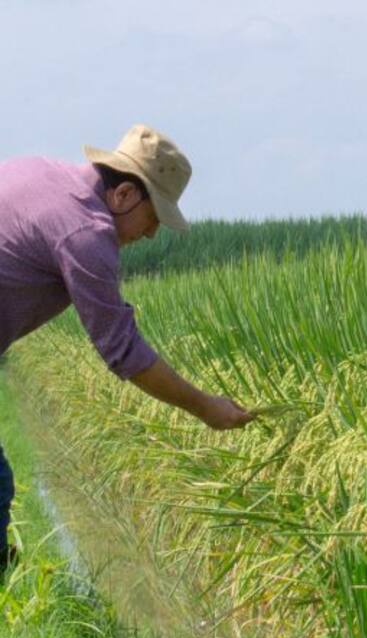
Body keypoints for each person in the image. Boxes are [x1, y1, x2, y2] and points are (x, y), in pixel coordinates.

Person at [0, 124, 256, 577]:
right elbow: (122, 351)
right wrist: (206, 408)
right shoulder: (86, 232)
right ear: (122, 195)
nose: (152, 234)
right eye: (154, 217)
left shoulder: (43, 172)